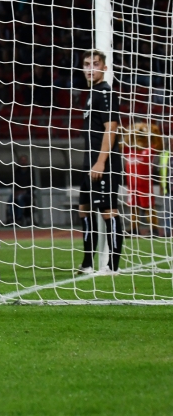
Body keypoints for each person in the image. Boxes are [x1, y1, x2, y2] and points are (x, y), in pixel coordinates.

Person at [77, 49, 123, 274]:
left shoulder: (105, 92)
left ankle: (112, 266)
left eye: (95, 64)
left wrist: (101, 162)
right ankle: (87, 263)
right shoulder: (91, 94)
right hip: (89, 163)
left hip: (103, 164)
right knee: (84, 210)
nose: (90, 68)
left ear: (104, 68)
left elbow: (110, 129)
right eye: (87, 64)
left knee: (108, 212)